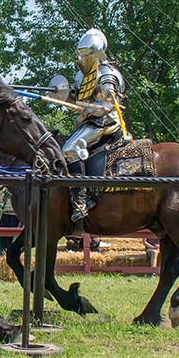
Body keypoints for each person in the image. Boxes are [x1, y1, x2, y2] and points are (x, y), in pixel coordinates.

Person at [61, 28, 128, 224]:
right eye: (80, 54)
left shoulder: (108, 74)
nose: (82, 58)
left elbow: (107, 105)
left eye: (86, 54)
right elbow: (77, 96)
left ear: (98, 52)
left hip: (106, 121)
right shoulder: (81, 76)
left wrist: (86, 110)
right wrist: (62, 94)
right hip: (89, 120)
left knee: (70, 149)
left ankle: (81, 200)